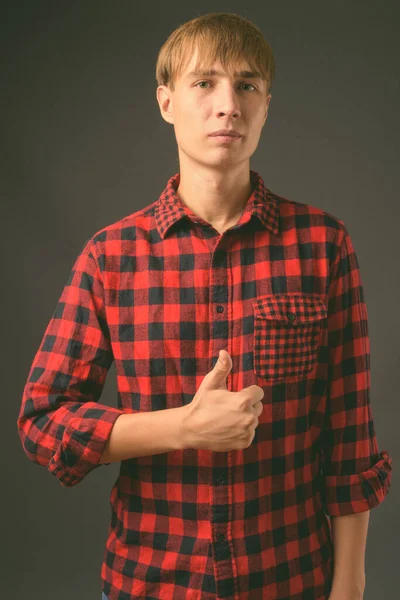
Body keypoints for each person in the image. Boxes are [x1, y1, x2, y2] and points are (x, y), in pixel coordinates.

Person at [17, 11, 392, 600]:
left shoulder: (323, 244)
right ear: (166, 102)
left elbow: (349, 436)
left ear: (267, 105)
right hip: (152, 580)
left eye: (248, 86)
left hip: (291, 577)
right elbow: (42, 422)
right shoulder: (110, 256)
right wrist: (182, 428)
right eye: (205, 83)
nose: (229, 105)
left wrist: (349, 585)